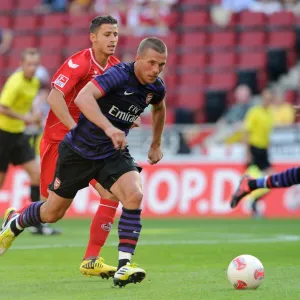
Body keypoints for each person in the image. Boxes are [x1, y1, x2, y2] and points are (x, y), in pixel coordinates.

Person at [0, 37, 167, 287]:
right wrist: (110, 128)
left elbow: (159, 107)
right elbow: (83, 99)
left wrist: (156, 144)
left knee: (133, 195)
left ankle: (123, 265)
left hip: (112, 153)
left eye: (161, 65)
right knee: (51, 212)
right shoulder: (118, 75)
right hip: (78, 151)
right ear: (139, 58)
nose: (156, 70)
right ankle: (17, 220)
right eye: (152, 63)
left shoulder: (156, 87)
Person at [33, 15, 126, 278]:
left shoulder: (116, 68)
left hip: (91, 147)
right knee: (50, 213)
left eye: (116, 34)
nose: (112, 39)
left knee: (112, 194)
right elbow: (54, 97)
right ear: (93, 37)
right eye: (107, 34)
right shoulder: (79, 63)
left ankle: (91, 259)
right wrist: (75, 130)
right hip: (60, 142)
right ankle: (15, 219)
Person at [0, 48, 56, 233]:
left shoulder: (33, 83)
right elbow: (2, 107)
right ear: (21, 65)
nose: (32, 68)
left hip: (18, 134)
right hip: (3, 134)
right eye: (29, 64)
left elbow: (29, 104)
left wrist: (34, 115)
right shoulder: (15, 82)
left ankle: (35, 223)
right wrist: (27, 119)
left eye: (35, 64)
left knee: (36, 174)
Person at [231, 88, 275, 213]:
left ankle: (253, 200)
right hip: (254, 149)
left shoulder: (269, 114)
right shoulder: (254, 112)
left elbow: (267, 134)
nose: (268, 101)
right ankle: (249, 200)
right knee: (253, 178)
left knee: (272, 180)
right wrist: (247, 151)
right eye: (266, 98)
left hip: (263, 151)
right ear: (262, 99)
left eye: (270, 99)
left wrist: (267, 148)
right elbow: (246, 131)